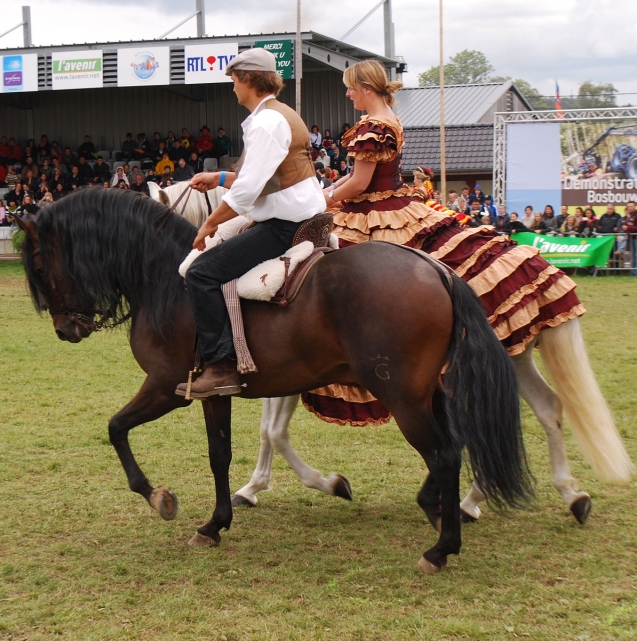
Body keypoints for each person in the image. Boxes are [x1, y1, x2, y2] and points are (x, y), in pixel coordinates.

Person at [304, 59, 585, 426]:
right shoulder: (389, 117)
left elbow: (358, 184)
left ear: (365, 89)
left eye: (350, 87)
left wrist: (320, 201)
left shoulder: (371, 126)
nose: (347, 93)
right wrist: (329, 191)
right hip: (393, 204)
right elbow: (358, 182)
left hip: (376, 213)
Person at [178, 47, 326, 398]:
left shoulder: (265, 122)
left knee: (201, 273)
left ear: (247, 79)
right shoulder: (280, 114)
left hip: (282, 226)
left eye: (233, 80)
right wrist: (218, 178)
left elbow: (246, 193)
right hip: (301, 217)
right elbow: (265, 178)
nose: (232, 88)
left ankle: (221, 367)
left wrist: (208, 224)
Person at [621, 202, 637, 276]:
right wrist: (626, 229)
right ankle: (633, 272)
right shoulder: (629, 216)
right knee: (632, 256)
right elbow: (627, 224)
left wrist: (628, 228)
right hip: (631, 238)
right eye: (628, 206)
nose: (629, 208)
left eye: (631, 206)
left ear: (635, 207)